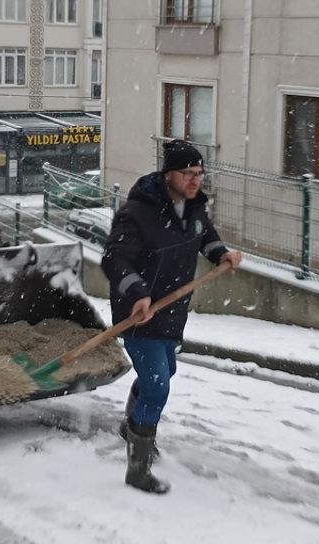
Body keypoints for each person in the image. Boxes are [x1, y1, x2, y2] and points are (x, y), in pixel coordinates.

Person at [101, 139, 242, 494]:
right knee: (158, 387)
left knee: (166, 372)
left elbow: (204, 236)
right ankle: (138, 468)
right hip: (141, 314)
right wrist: (137, 293)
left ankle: (130, 424)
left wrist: (221, 253)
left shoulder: (194, 208)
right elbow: (115, 259)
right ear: (168, 176)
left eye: (199, 174)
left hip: (174, 311)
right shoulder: (137, 213)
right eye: (188, 174)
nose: (196, 181)